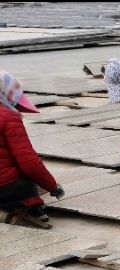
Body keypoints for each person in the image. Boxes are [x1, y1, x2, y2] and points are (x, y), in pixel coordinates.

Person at [0, 71, 64, 224]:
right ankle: (27, 209)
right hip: (4, 188)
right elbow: (29, 163)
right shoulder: (8, 117)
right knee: (28, 181)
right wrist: (52, 186)